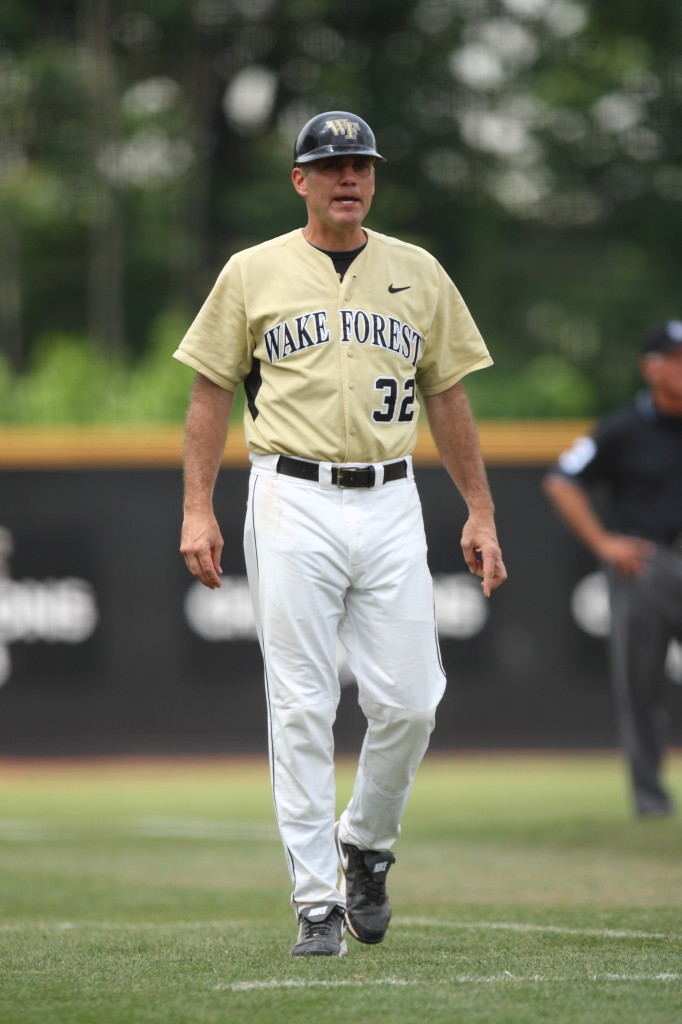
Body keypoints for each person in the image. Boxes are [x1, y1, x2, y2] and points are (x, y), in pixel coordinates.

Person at [174, 110, 507, 956]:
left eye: (360, 164)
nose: (348, 177)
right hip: (292, 495)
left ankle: (365, 841)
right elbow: (211, 389)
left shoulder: (417, 270)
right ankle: (317, 902)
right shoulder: (252, 271)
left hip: (392, 496)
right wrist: (197, 506)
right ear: (301, 181)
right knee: (302, 702)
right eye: (330, 166)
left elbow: (448, 394)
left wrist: (479, 508)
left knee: (412, 702)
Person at [543, 320, 682, 818]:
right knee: (641, 687)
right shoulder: (624, 428)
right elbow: (562, 480)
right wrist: (603, 542)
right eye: (676, 358)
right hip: (646, 563)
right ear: (652, 367)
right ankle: (651, 800)